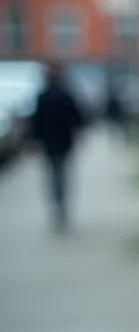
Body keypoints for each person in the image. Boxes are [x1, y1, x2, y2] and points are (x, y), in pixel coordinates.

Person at [27, 63, 86, 234]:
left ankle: (56, 204)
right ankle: (62, 204)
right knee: (62, 174)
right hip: (64, 142)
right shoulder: (66, 95)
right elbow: (78, 118)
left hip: (48, 143)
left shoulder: (41, 97)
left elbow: (35, 123)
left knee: (52, 174)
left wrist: (34, 141)